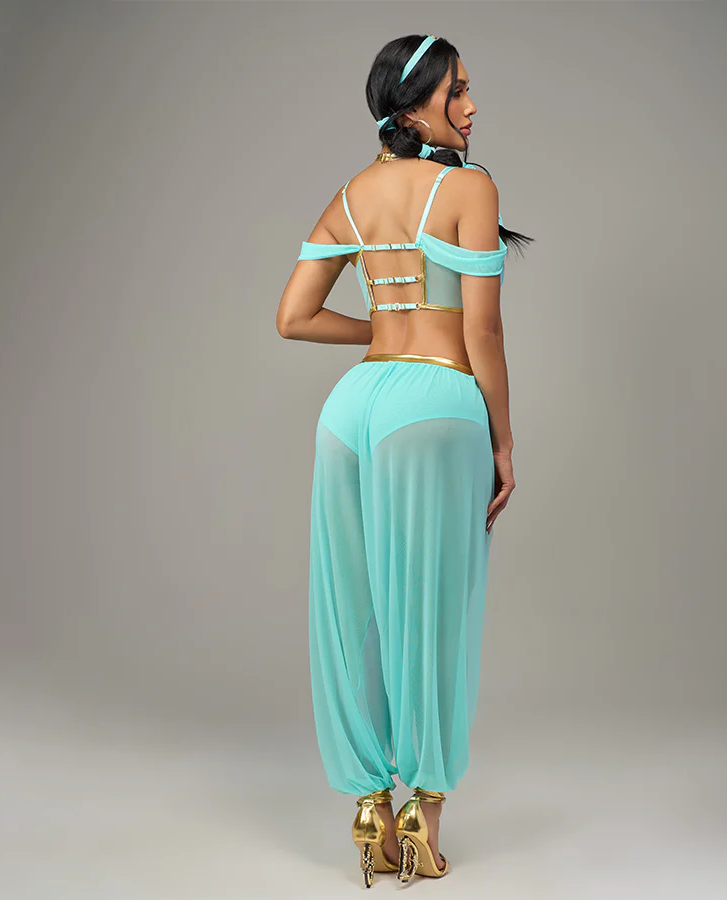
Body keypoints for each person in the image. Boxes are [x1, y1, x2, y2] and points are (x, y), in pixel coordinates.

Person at [276, 33, 532, 887]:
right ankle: (423, 810)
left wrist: (383, 331)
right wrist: (504, 439)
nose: (471, 105)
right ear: (415, 106)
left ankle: (367, 810)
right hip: (435, 404)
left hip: (352, 406)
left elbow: (294, 317)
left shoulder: (353, 193)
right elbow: (481, 331)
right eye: (457, 90)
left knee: (350, 608)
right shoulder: (469, 187)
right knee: (430, 606)